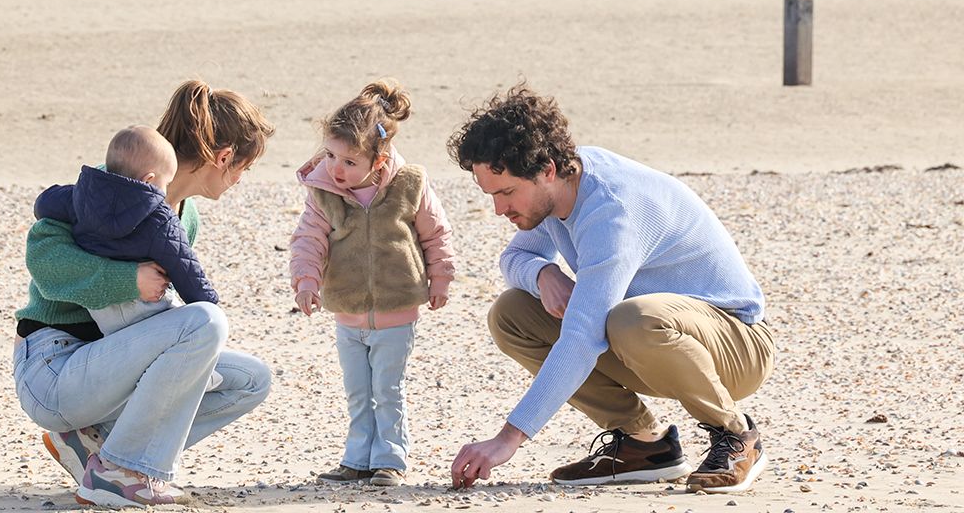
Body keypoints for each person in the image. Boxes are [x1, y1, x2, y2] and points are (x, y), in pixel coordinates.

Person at [447, 86, 775, 495]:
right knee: (511, 313)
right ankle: (645, 445)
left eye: (507, 192)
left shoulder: (611, 211)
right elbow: (513, 259)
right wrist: (543, 273)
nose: (500, 209)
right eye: (491, 195)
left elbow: (583, 338)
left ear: (546, 170)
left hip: (738, 345)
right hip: (654, 341)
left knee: (629, 319)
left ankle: (736, 435)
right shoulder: (557, 190)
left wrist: (508, 439)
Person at [13, 80, 275, 508]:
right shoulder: (109, 192)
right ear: (225, 158)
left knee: (251, 380)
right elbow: (45, 263)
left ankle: (99, 448)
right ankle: (122, 472)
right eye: (244, 168)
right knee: (205, 322)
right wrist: (130, 279)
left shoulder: (185, 221)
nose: (241, 179)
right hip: (53, 365)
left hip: (107, 371)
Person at [289, 80, 456, 487]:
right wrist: (306, 282)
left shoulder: (409, 185)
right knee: (358, 392)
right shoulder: (323, 193)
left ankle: (390, 459)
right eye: (330, 156)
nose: (335, 168)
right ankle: (357, 458)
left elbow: (436, 234)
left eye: (349, 161)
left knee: (388, 388)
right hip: (347, 312)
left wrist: (441, 279)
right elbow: (308, 240)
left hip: (397, 310)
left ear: (378, 161)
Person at [33, 125, 218, 335]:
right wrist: (210, 304)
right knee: (195, 330)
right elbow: (184, 267)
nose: (166, 190)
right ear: (149, 180)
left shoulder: (81, 198)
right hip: (145, 305)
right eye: (166, 182)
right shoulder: (160, 218)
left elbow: (44, 204)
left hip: (101, 307)